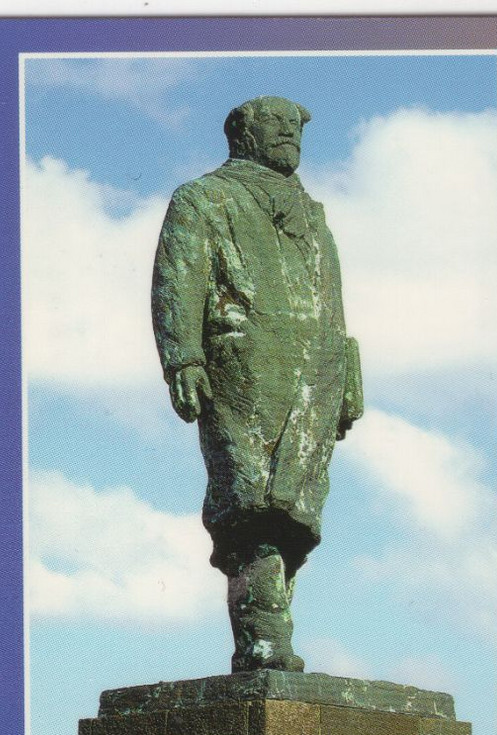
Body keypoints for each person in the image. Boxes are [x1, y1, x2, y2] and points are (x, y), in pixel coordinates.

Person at [152, 96, 362, 672]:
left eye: (296, 126)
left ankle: (271, 630)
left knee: (296, 508)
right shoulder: (203, 197)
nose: (291, 132)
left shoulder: (312, 212)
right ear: (242, 132)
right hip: (239, 368)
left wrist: (349, 374)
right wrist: (182, 358)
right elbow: (179, 276)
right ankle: (263, 638)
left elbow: (332, 299)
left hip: (315, 371)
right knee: (251, 501)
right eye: (276, 124)